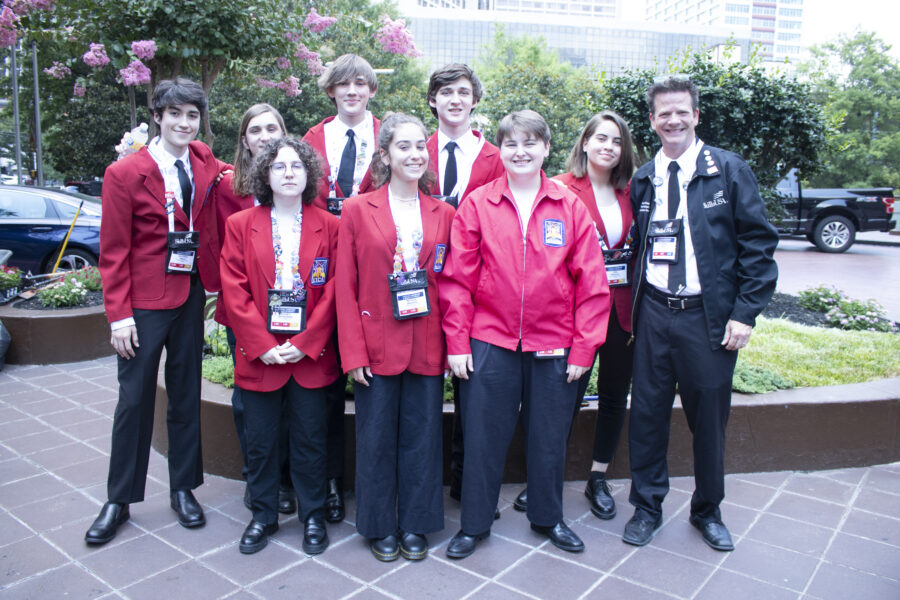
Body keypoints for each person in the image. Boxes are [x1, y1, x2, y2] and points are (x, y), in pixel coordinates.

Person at [440, 110, 610, 559]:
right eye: (511, 143)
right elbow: (456, 281)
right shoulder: (477, 204)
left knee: (549, 438)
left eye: (530, 142)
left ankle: (548, 518)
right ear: (501, 150)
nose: (520, 152)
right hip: (489, 340)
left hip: (555, 342)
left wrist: (583, 348)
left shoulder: (569, 206)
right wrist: (457, 342)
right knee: (481, 438)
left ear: (546, 149)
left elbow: (593, 284)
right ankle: (475, 524)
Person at [624, 75, 778, 552]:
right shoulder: (643, 179)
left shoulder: (727, 170)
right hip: (654, 314)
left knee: (709, 421)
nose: (673, 120)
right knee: (646, 416)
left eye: (681, 111)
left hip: (706, 319)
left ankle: (707, 510)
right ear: (653, 120)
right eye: (663, 113)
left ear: (696, 115)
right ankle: (647, 507)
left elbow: (758, 246)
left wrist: (745, 313)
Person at [86, 78, 228, 545]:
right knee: (134, 400)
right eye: (175, 115)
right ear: (157, 117)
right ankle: (119, 499)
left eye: (192, 115)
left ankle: (183, 488)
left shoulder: (203, 158)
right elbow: (112, 251)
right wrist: (118, 315)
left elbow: (232, 173)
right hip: (143, 303)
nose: (184, 124)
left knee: (186, 393)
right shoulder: (124, 173)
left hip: (190, 295)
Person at [335, 113, 454, 562]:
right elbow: (344, 287)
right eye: (404, 146)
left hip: (426, 341)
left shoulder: (445, 213)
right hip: (375, 343)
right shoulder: (356, 210)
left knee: (424, 437)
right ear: (384, 155)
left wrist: (453, 346)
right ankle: (379, 524)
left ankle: (417, 522)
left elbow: (450, 283)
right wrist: (352, 353)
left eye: (421, 146)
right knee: (375, 439)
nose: (415, 154)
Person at [513, 110, 637, 520]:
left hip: (621, 312)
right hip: (572, 314)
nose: (608, 147)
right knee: (561, 398)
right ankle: (542, 480)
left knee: (614, 395)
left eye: (617, 141)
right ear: (584, 142)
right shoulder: (559, 189)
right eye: (601, 138)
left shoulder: (632, 191)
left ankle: (597, 477)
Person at [220, 136, 340, 555]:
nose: (289, 174)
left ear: (309, 175)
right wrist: (261, 343)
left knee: (311, 440)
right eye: (279, 167)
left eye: (297, 166)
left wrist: (306, 342)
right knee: (261, 442)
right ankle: (263, 515)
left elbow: (336, 290)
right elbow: (233, 289)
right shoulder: (240, 225)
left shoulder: (331, 226)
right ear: (265, 175)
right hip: (261, 356)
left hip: (311, 356)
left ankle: (313, 516)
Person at [301, 53, 382, 521]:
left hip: (373, 268)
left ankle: (374, 481)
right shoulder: (312, 139)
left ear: (371, 90)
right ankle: (330, 481)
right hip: (321, 262)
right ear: (331, 90)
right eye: (343, 84)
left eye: (360, 83)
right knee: (325, 377)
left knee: (373, 367)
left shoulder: (389, 136)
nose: (352, 91)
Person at [212, 104, 298, 517]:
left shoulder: (295, 177)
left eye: (272, 128)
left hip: (293, 309)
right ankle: (258, 478)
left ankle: (289, 478)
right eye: (255, 130)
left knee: (292, 398)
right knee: (251, 399)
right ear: (244, 140)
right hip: (244, 310)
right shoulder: (228, 187)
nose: (264, 136)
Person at [423, 63, 505, 500]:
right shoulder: (413, 149)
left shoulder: (498, 157)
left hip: (476, 291)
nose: (454, 99)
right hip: (418, 287)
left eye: (462, 92)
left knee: (473, 390)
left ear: (474, 100)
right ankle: (421, 484)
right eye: (445, 92)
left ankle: (465, 482)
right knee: (422, 386)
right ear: (432, 100)